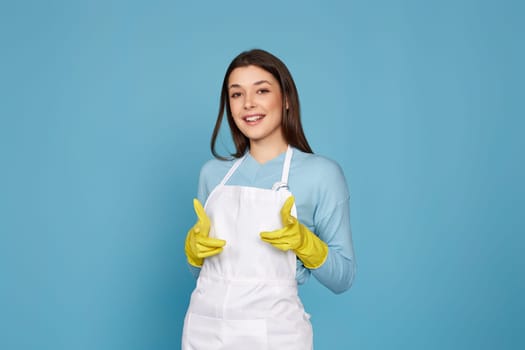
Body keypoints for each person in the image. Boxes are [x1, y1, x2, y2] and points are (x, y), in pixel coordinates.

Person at [181, 48, 356, 350]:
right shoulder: (213, 175)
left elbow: (343, 278)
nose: (248, 103)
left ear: (286, 99)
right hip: (203, 330)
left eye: (261, 90)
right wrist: (193, 254)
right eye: (236, 94)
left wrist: (306, 243)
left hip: (274, 335)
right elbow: (202, 274)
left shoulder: (321, 174)